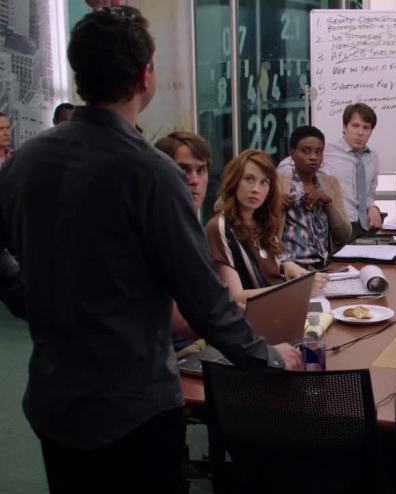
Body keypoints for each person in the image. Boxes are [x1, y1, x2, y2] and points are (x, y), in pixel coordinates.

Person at [0, 6, 302, 493]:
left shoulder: (24, 161)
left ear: (79, 75)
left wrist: (26, 298)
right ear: (146, 76)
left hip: (56, 404)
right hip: (134, 412)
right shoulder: (151, 173)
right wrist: (268, 358)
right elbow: (205, 302)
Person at [206, 149, 327, 305]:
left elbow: (272, 268)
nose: (256, 189)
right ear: (234, 181)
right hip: (255, 315)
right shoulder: (219, 226)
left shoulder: (262, 222)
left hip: (281, 308)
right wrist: (298, 288)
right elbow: (235, 296)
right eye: (249, 179)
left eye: (264, 182)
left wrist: (285, 265)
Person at [154, 131, 212, 356]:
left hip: (201, 344)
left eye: (201, 170)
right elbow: (181, 323)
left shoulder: (195, 228)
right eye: (183, 170)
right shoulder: (157, 230)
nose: (194, 180)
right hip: (171, 357)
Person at [279, 126, 351, 268]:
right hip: (290, 268)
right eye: (306, 151)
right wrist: (275, 206)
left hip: (325, 267)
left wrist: (328, 203)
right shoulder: (278, 184)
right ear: (292, 153)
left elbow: (345, 236)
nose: (313, 157)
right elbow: (261, 232)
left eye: (319, 152)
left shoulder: (331, 184)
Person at [323, 102, 383, 238]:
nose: (360, 133)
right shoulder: (326, 152)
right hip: (337, 227)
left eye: (366, 128)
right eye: (355, 126)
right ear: (344, 127)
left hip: (364, 227)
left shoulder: (373, 157)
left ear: (371, 132)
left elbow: (370, 193)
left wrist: (372, 207)